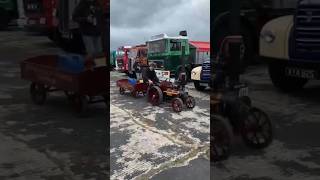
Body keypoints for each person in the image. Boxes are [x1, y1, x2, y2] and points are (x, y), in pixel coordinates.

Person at [72, 0, 104, 70]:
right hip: (87, 33)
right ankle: (90, 71)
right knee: (91, 52)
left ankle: (98, 70)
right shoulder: (83, 4)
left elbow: (101, 16)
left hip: (97, 32)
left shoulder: (97, 3)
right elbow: (74, 17)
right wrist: (85, 19)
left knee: (99, 52)